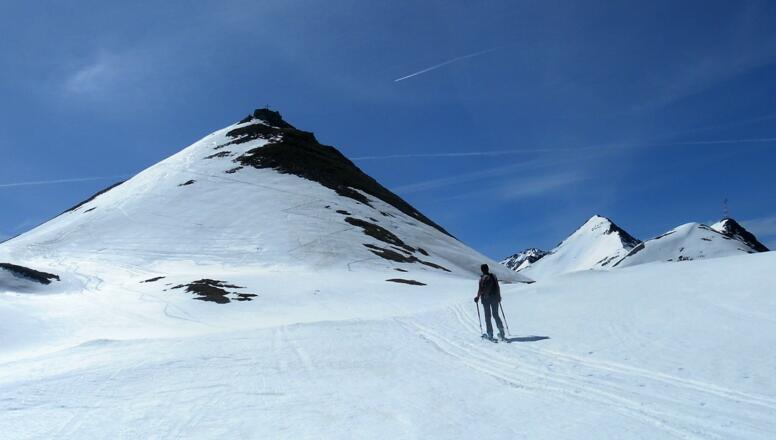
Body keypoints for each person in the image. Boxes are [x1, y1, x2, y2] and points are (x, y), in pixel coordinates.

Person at [474, 264, 505, 341]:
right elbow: (497, 287)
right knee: (496, 315)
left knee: (487, 316)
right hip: (494, 298)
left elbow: (480, 289)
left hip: (485, 299)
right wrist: (498, 296)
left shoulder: (482, 278)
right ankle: (501, 332)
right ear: (488, 269)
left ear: (482, 270)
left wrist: (477, 297)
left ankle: (490, 334)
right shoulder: (493, 277)